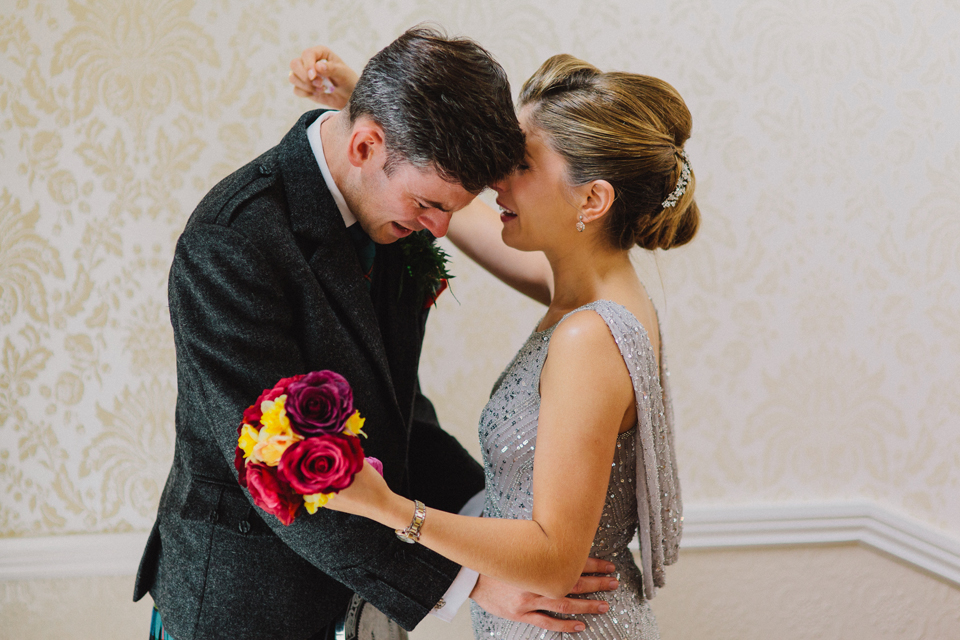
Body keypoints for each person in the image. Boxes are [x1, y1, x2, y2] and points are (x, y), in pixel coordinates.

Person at [136, 27, 617, 640]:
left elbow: (397, 407)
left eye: (452, 209)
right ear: (365, 144)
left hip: (367, 604)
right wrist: (468, 579)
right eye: (428, 204)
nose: (439, 231)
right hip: (246, 604)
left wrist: (493, 527)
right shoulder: (233, 241)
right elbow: (279, 467)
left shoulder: (389, 213)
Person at [291, 49, 696, 639]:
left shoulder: (590, 335)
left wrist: (385, 507)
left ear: (592, 200)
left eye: (522, 165)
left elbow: (555, 559)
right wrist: (375, 111)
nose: (495, 178)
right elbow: (458, 212)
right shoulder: (590, 288)